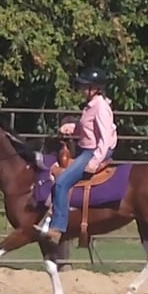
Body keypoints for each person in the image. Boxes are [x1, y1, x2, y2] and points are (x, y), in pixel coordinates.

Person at [35, 67, 118, 245]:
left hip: (93, 151)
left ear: (95, 88)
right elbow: (88, 129)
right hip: (85, 149)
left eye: (85, 86)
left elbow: (105, 137)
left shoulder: (101, 107)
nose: (82, 90)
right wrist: (72, 129)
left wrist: (95, 160)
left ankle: (58, 228)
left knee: (62, 182)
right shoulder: (91, 106)